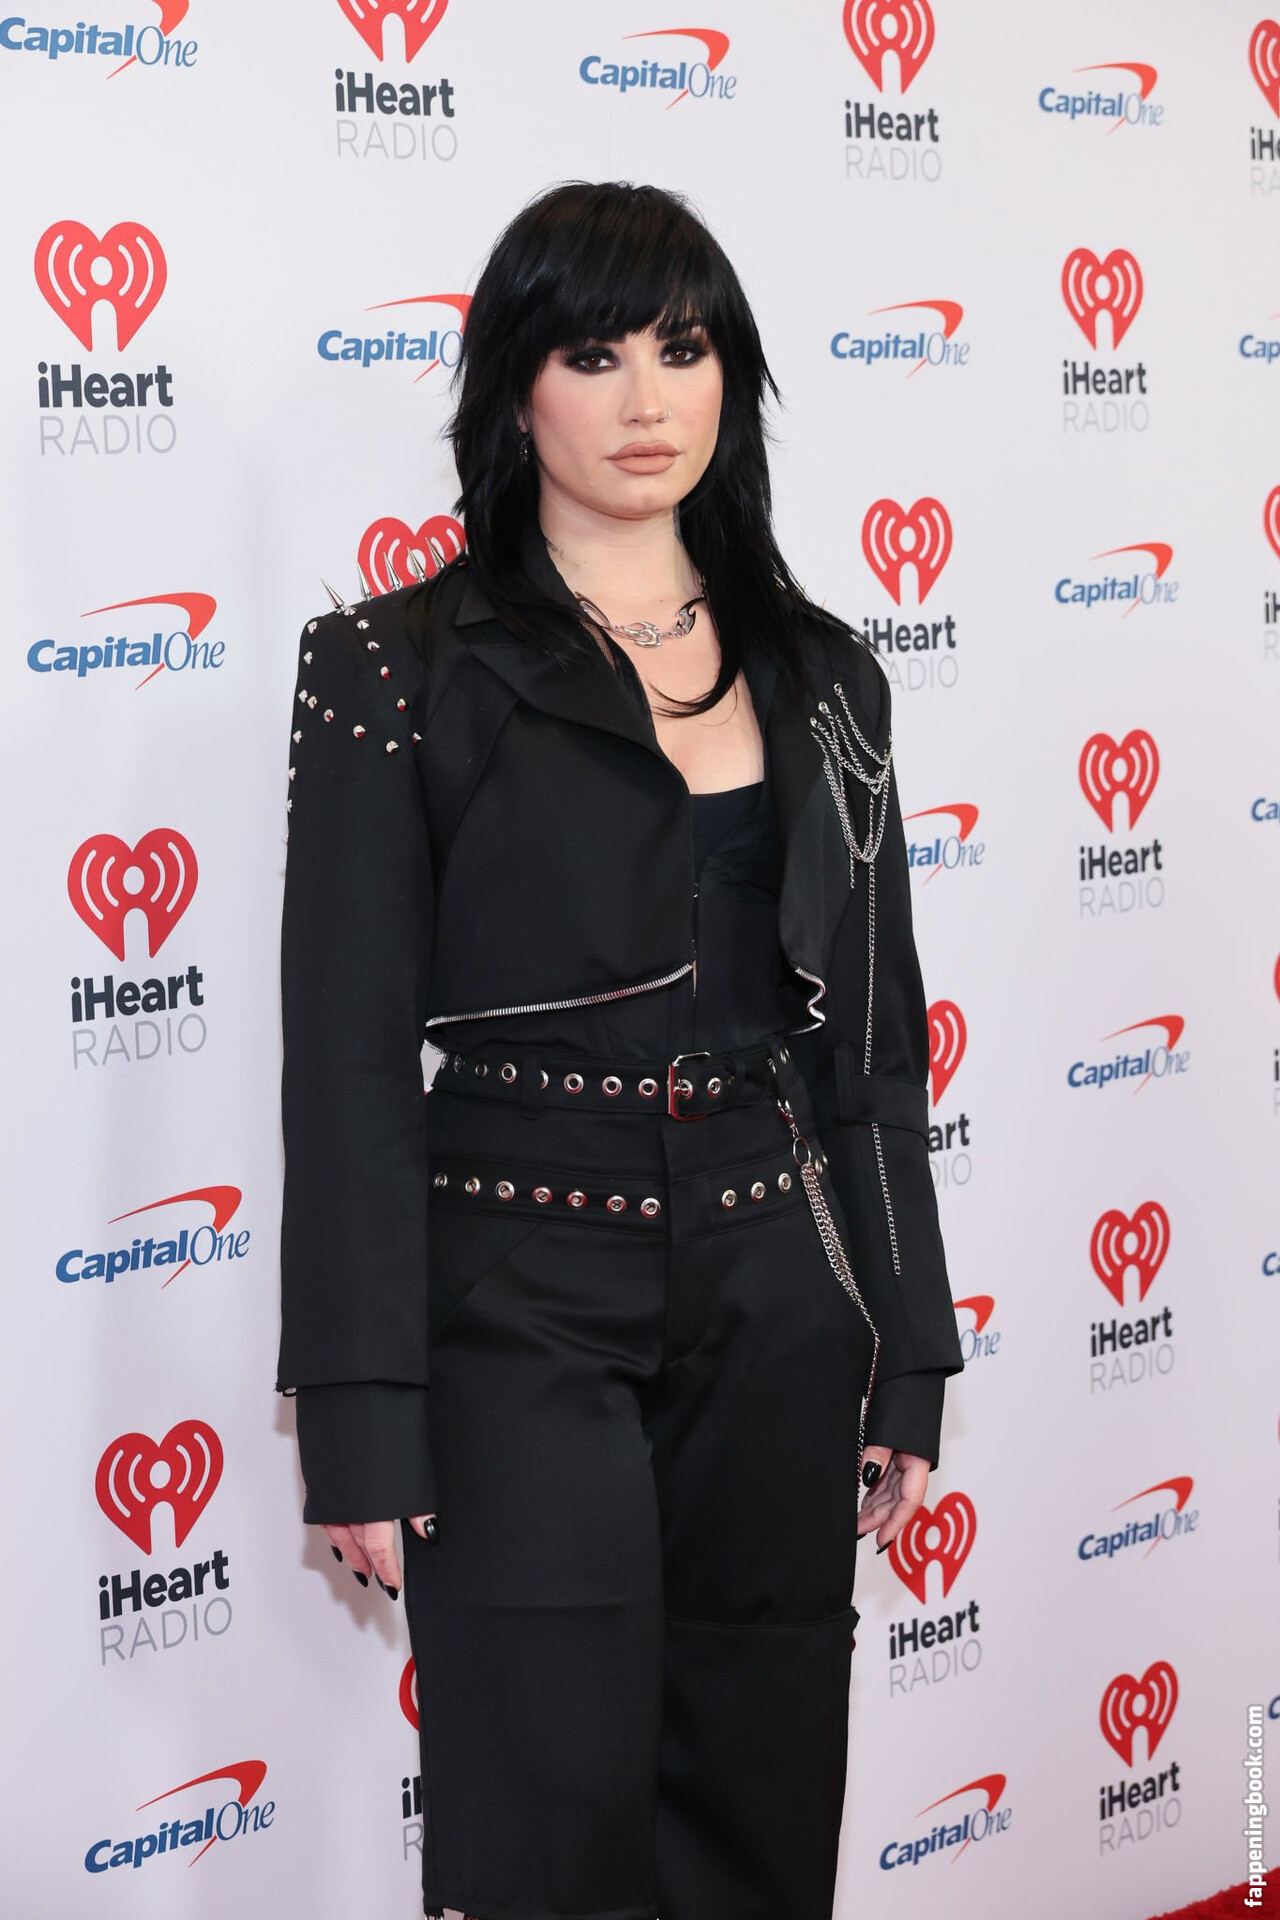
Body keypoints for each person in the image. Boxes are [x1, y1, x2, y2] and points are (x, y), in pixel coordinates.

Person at [276, 179, 965, 1920]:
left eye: (687, 347)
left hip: (776, 1280)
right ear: (517, 390)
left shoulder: (829, 679)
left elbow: (875, 1050)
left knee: (759, 1790)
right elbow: (346, 1068)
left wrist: (909, 1353)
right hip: (515, 1288)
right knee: (544, 1815)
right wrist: (360, 1414)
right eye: (594, 355)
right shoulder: (388, 670)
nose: (650, 398)